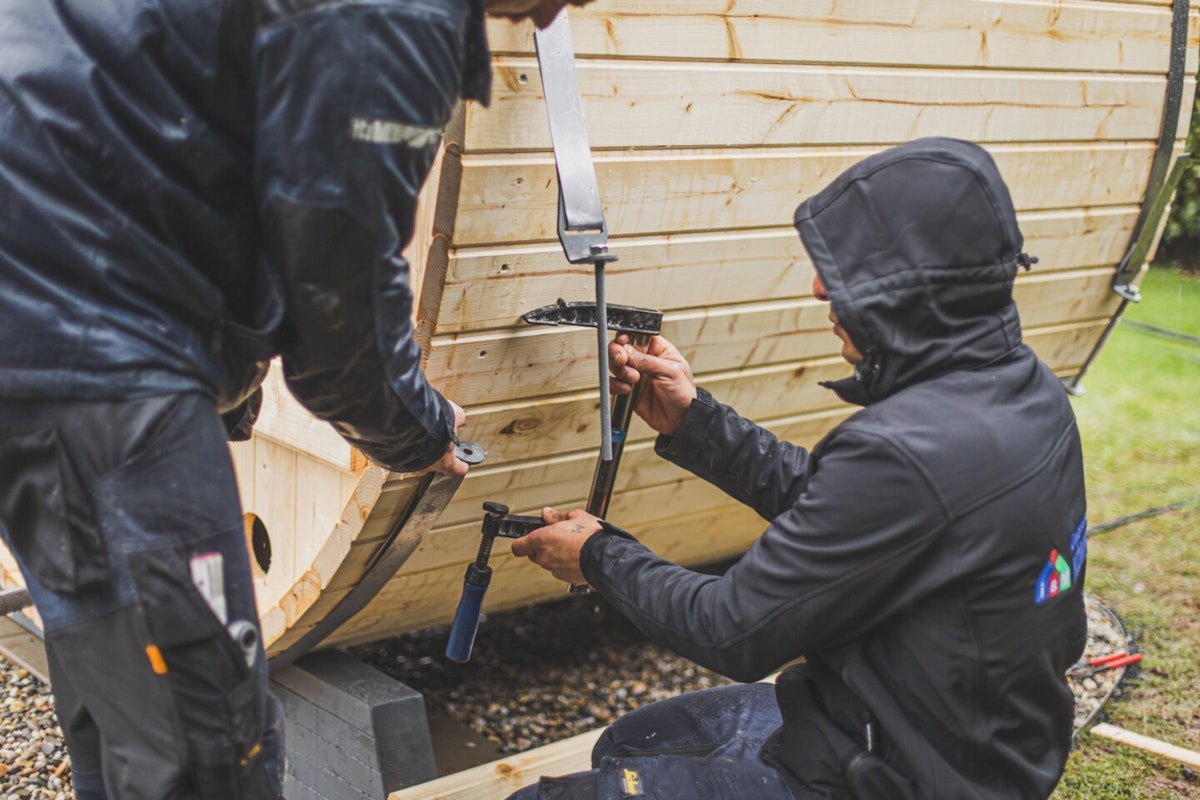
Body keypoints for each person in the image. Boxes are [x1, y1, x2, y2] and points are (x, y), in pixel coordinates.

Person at [0, 0, 591, 797]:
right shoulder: (394, 11)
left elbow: (215, 165)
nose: (558, 13)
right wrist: (419, 429)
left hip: (40, 323)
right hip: (96, 351)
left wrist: (226, 389)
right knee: (206, 747)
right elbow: (336, 296)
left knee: (120, 683)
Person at [507, 137, 1089, 799]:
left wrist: (597, 556)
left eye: (845, 275)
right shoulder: (1019, 388)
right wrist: (694, 422)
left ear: (912, 290)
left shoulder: (910, 449)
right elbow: (842, 510)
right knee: (629, 744)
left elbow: (734, 629)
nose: (819, 288)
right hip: (933, 734)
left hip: (901, 779)